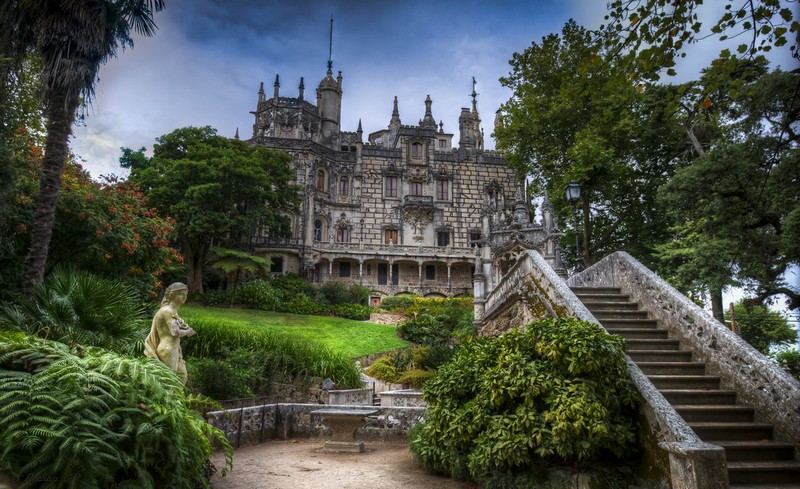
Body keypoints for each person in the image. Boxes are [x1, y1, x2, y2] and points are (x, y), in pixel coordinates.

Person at [144, 282, 195, 383]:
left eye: (186, 294)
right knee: (170, 381)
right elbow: (175, 332)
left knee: (182, 377)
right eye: (181, 294)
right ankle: (169, 398)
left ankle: (176, 398)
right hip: (168, 349)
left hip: (174, 348)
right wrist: (188, 331)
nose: (184, 297)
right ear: (172, 295)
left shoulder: (172, 310)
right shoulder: (168, 311)